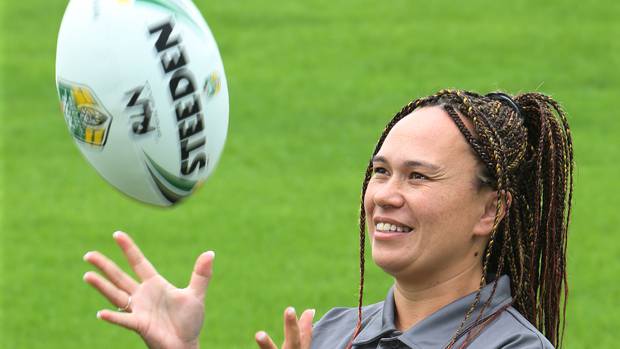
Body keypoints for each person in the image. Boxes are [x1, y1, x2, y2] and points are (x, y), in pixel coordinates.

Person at [83, 89, 574, 349]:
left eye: (418, 177)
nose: (385, 195)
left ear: (490, 210)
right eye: (380, 172)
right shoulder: (333, 334)